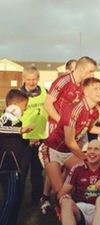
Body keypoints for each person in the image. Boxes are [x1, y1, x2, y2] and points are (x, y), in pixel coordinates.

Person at [41, 77, 100, 195]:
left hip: (68, 152)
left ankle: (84, 201)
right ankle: (48, 200)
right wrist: (85, 158)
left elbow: (87, 127)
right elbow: (70, 142)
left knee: (87, 173)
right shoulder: (76, 109)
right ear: (85, 91)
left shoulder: (94, 110)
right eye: (95, 89)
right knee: (61, 191)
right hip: (53, 150)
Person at [58, 140, 100, 225]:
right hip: (80, 209)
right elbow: (61, 194)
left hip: (99, 209)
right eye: (89, 149)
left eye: (96, 149)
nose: (92, 152)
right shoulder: (77, 168)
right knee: (65, 202)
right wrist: (64, 198)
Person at [0, 89, 32, 225]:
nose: (24, 111)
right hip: (10, 166)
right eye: (24, 107)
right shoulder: (5, 120)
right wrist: (20, 130)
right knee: (10, 199)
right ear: (15, 107)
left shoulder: (13, 122)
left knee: (12, 198)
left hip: (12, 166)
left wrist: (27, 140)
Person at [19, 66, 48, 204]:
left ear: (38, 79)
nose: (31, 82)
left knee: (37, 171)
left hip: (41, 137)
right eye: (28, 79)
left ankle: (36, 198)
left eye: (34, 79)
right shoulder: (18, 94)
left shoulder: (44, 92)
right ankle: (16, 197)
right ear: (23, 79)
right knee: (22, 171)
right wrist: (28, 136)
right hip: (23, 139)